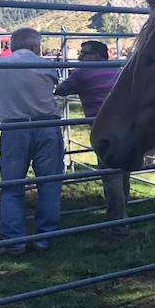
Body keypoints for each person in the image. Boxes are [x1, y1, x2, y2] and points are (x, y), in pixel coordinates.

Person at [0, 28, 64, 255]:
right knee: (49, 183)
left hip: (14, 128)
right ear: (36, 46)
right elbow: (55, 84)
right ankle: (45, 238)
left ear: (12, 45)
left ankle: (14, 241)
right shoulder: (45, 64)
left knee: (11, 186)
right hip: (46, 126)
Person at [55, 40, 129, 238]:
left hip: (104, 128)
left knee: (111, 175)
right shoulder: (118, 69)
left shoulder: (81, 73)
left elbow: (60, 90)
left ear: (97, 55)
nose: (81, 56)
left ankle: (117, 225)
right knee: (123, 170)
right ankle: (123, 215)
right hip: (126, 125)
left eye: (85, 52)